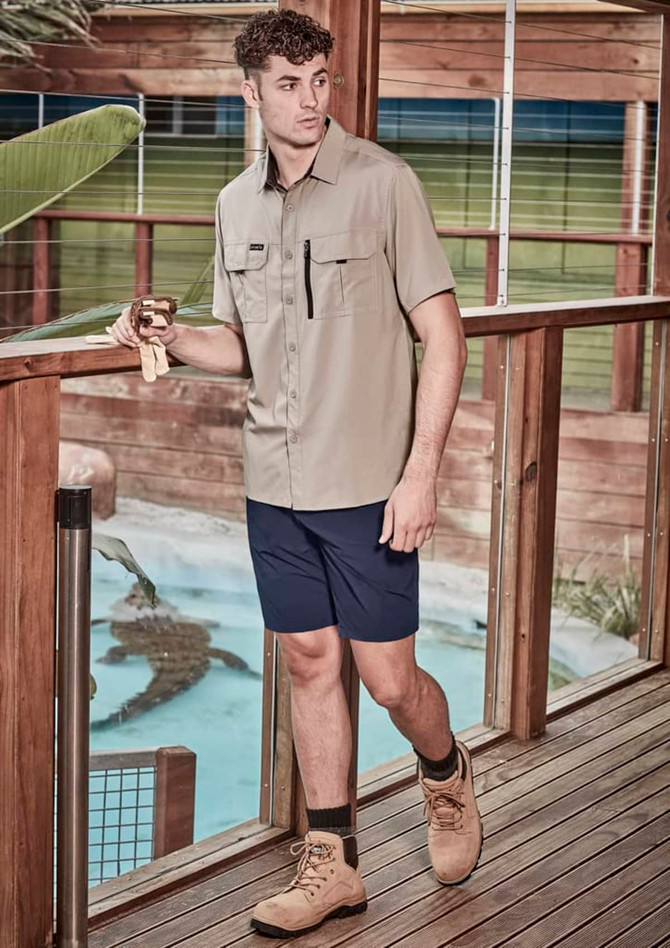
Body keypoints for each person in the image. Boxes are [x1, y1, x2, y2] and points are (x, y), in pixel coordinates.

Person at [111, 8, 482, 939]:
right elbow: (238, 345)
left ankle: (445, 772)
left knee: (389, 682)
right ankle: (332, 863)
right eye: (289, 83)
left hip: (367, 483)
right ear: (252, 91)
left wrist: (421, 472)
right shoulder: (236, 204)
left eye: (321, 81)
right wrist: (166, 335)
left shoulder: (384, 184)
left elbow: (443, 332)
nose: (311, 100)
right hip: (272, 481)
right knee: (310, 662)